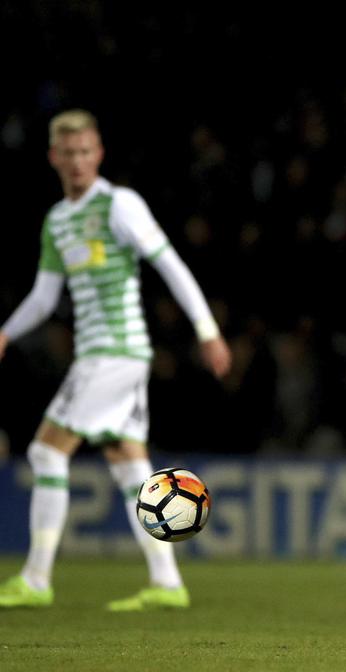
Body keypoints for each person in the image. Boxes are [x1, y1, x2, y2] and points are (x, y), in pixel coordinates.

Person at [0, 110, 232, 611]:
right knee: (130, 467)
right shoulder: (58, 221)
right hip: (109, 356)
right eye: (70, 153)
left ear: (98, 154)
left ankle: (37, 578)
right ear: (54, 158)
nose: (79, 161)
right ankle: (167, 583)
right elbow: (44, 297)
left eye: (87, 152)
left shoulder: (119, 204)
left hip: (115, 351)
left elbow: (170, 264)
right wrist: (6, 333)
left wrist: (207, 330)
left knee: (45, 452)